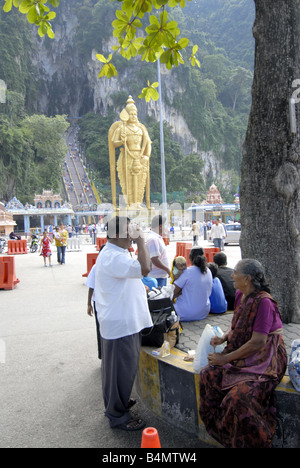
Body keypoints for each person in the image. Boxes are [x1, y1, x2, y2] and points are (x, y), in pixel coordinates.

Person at [199, 259, 287, 448]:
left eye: (235, 273)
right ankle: (225, 436)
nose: (231, 276)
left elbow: (258, 342)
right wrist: (222, 338)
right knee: (207, 375)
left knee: (239, 398)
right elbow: (236, 325)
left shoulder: (264, 302)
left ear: (247, 278)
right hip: (244, 354)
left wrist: (225, 359)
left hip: (264, 358)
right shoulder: (241, 295)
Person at [94, 216, 152, 431]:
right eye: (129, 231)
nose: (132, 234)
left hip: (121, 322)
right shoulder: (114, 257)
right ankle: (118, 416)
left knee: (116, 371)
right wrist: (141, 241)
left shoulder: (113, 253)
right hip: (121, 325)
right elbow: (145, 268)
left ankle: (116, 404)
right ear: (117, 234)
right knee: (120, 371)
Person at [173, 247, 212, 321]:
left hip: (186, 313)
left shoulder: (188, 272)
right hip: (204, 312)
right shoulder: (208, 271)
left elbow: (173, 291)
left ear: (190, 258)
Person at [146, 215, 170, 287]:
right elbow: (154, 259)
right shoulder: (153, 239)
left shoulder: (157, 237)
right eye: (164, 225)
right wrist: (167, 269)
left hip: (160, 276)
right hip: (156, 277)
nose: (165, 227)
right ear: (160, 226)